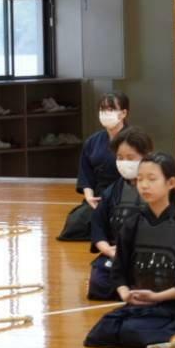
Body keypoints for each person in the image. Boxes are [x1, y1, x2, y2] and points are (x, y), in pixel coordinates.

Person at [85, 153, 175, 348]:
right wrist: (125, 294)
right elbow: (119, 268)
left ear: (171, 183)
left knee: (136, 333)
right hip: (140, 306)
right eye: (140, 179)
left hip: (173, 306)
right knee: (100, 334)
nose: (144, 185)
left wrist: (157, 297)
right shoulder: (132, 224)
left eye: (152, 179)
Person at [87, 127, 152, 301]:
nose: (124, 162)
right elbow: (98, 226)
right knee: (99, 283)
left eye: (130, 158)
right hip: (117, 254)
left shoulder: (158, 190)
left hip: (148, 254)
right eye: (120, 158)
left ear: (146, 157)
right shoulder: (111, 192)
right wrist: (107, 249)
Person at [58, 93, 129, 242]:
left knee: (121, 223)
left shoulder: (133, 139)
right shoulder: (92, 141)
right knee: (74, 225)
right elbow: (86, 173)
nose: (105, 114)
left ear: (123, 113)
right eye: (102, 110)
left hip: (124, 194)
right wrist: (89, 197)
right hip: (99, 195)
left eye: (110, 110)